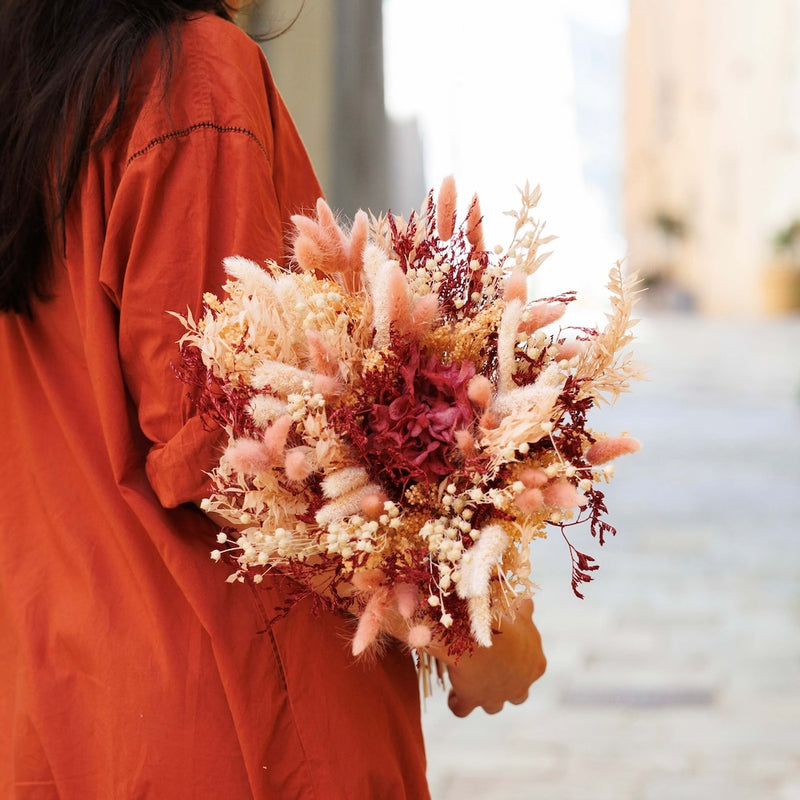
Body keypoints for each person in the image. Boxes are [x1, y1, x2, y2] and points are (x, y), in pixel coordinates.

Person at [0, 1, 546, 797]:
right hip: (235, 712)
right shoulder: (189, 75)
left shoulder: (35, 89)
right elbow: (234, 435)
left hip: (64, 702)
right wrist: (474, 625)